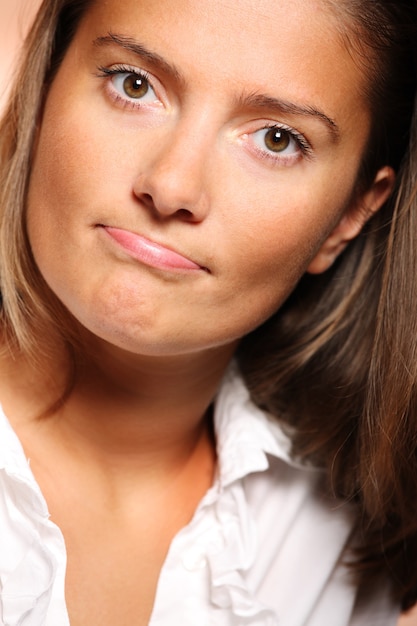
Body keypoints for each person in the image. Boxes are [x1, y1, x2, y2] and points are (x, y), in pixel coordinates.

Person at [0, 0, 415, 624]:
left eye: (277, 140)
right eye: (133, 85)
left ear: (350, 217)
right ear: (44, 82)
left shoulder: (340, 553)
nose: (170, 187)